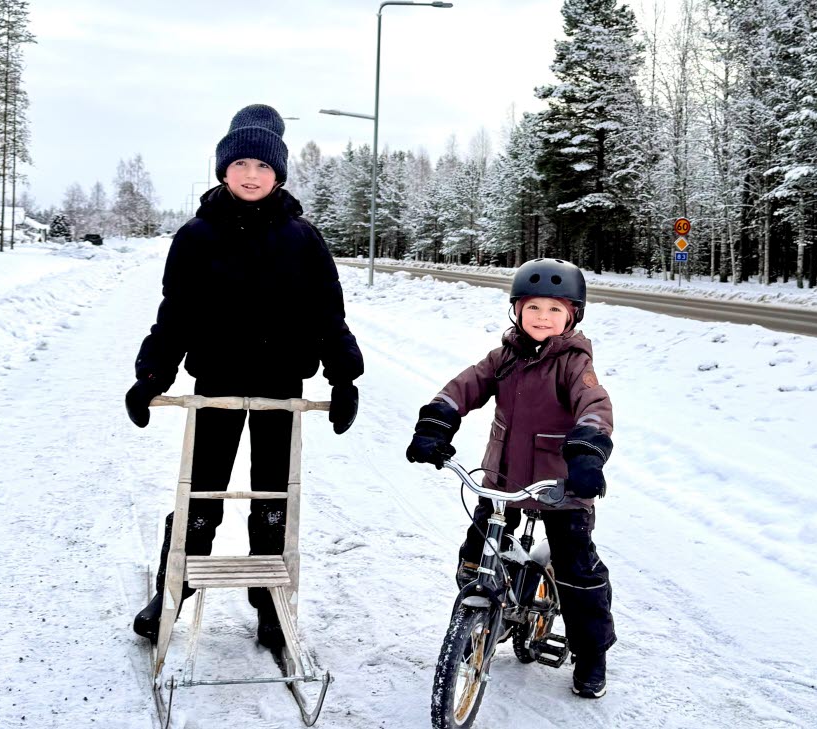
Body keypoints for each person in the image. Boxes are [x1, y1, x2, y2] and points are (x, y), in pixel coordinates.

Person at [125, 104, 363, 652]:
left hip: (282, 386)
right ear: (223, 170)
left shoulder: (304, 238)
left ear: (278, 173)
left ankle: (269, 602)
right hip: (216, 385)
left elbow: (327, 314)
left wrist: (344, 377)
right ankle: (173, 586)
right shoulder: (196, 236)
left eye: (263, 165)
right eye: (241, 165)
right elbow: (175, 315)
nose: (251, 175)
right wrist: (152, 375)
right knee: (200, 492)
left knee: (274, 497)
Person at [406, 258, 616, 699]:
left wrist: (587, 456)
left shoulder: (575, 364)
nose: (543, 318)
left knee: (578, 569)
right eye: (533, 307)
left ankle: (592, 651)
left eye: (555, 310)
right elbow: (463, 387)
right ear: (516, 310)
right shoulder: (503, 359)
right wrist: (436, 424)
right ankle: (478, 624)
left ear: (572, 315)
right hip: (501, 479)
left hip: (561, 486)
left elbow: (594, 407)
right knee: (474, 553)